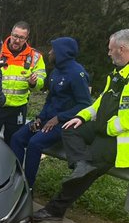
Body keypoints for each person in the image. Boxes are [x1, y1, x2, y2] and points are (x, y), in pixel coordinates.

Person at [33, 29, 129, 221]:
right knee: (69, 128)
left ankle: (55, 210)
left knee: (84, 174)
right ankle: (81, 163)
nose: (108, 53)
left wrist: (107, 128)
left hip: (116, 140)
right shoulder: (118, 74)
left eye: (111, 50)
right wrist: (82, 117)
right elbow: (100, 102)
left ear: (122, 48)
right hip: (101, 128)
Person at [9, 37, 91, 188]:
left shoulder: (77, 74)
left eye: (53, 50)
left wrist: (59, 117)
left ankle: (27, 187)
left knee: (35, 143)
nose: (50, 52)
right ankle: (15, 179)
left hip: (63, 123)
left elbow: (85, 104)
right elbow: (50, 99)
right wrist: (40, 117)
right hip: (46, 119)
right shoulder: (55, 72)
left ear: (62, 52)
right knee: (17, 138)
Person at [0, 20, 46, 144]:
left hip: (18, 108)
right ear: (11, 33)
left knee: (13, 143)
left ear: (27, 38)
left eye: (21, 38)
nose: (17, 40)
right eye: (15, 36)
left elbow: (41, 80)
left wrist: (34, 83)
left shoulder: (35, 56)